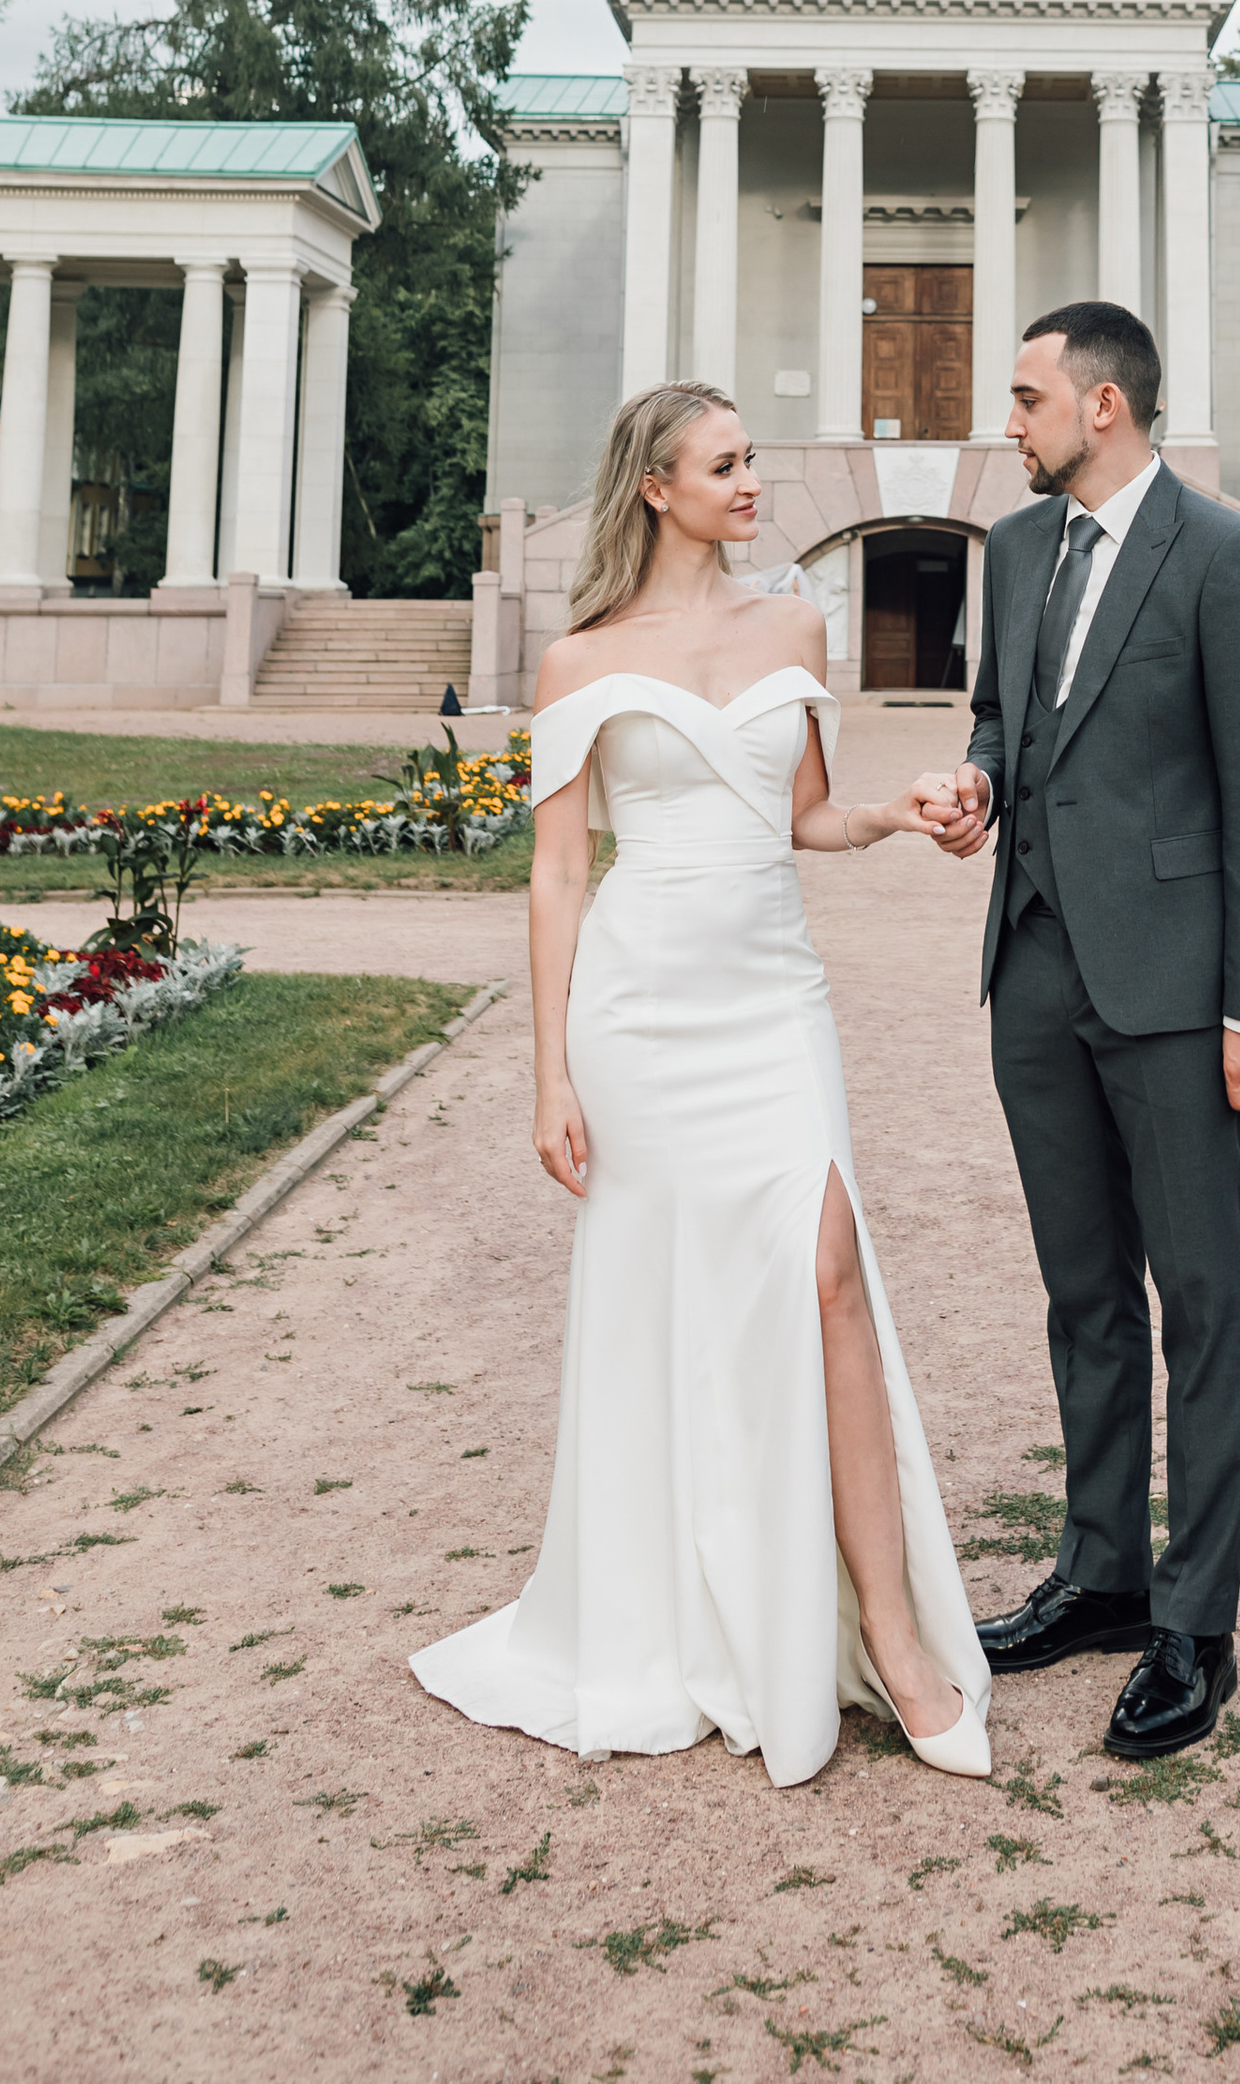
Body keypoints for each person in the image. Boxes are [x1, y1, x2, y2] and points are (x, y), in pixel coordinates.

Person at [412, 380, 990, 1790]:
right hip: (641, 1010)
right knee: (673, 1309)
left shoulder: (797, 626)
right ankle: (690, 1610)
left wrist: (904, 816)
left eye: (753, 461)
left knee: (829, 1274)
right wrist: (549, 1069)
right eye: (727, 465)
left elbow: (802, 821)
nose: (752, 483)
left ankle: (896, 1641)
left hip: (773, 1001)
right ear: (656, 486)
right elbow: (558, 871)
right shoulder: (577, 660)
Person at [917, 301, 1240, 1761]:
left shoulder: (1226, 558)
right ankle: (1100, 1575)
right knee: (1083, 1295)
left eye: (1023, 399)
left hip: (1177, 993)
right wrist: (974, 789)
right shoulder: (1015, 550)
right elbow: (1002, 724)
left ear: (1104, 409)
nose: (1003, 424)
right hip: (1032, 976)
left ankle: (1195, 1623)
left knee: (1202, 1298)